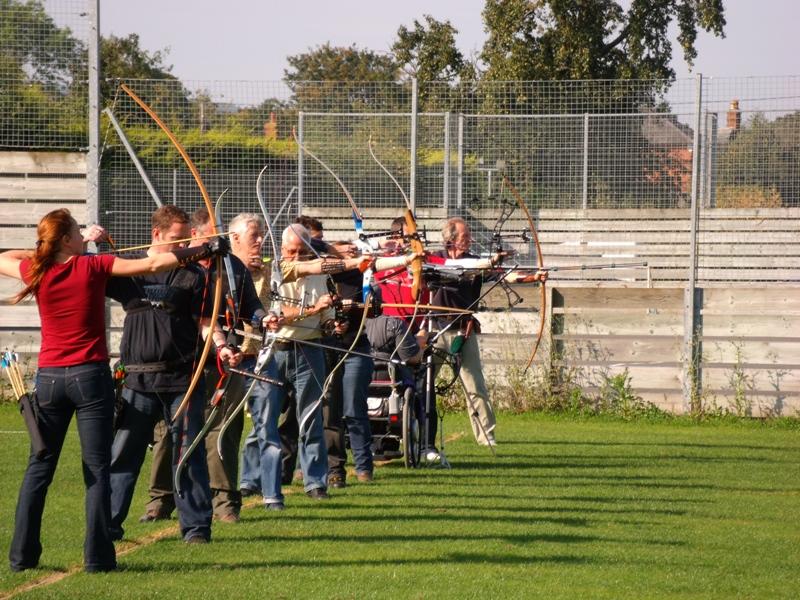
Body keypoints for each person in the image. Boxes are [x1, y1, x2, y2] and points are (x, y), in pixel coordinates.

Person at [0, 208, 223, 572]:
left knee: (38, 468)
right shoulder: (91, 266)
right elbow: (151, 267)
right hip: (88, 377)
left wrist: (48, 252)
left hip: (50, 380)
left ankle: (22, 557)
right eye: (77, 230)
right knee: (97, 469)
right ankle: (98, 559)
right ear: (69, 239)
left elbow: (5, 258)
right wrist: (203, 249)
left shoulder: (37, 269)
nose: (82, 232)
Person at [106, 205, 239, 544]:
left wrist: (221, 346)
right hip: (137, 379)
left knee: (188, 452)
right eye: (175, 241)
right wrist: (95, 244)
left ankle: (195, 528)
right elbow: (90, 272)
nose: (182, 247)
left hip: (183, 378)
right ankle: (107, 524)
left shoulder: (195, 274)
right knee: (125, 453)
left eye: (185, 241)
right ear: (156, 235)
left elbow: (207, 321)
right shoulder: (131, 269)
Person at [139, 209, 270, 524]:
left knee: (221, 430)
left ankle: (224, 503)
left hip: (224, 362)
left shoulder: (231, 266)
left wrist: (262, 318)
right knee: (167, 432)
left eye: (221, 235)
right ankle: (160, 500)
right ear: (193, 237)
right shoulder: (177, 266)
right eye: (213, 235)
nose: (219, 241)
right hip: (180, 361)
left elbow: (251, 306)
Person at [429, 217, 546, 447]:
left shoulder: (477, 262)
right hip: (434, 330)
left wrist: (533, 277)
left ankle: (486, 435)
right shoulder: (435, 259)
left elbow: (504, 275)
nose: (470, 240)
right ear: (451, 240)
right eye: (465, 236)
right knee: (422, 384)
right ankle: (418, 434)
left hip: (464, 331)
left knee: (475, 387)